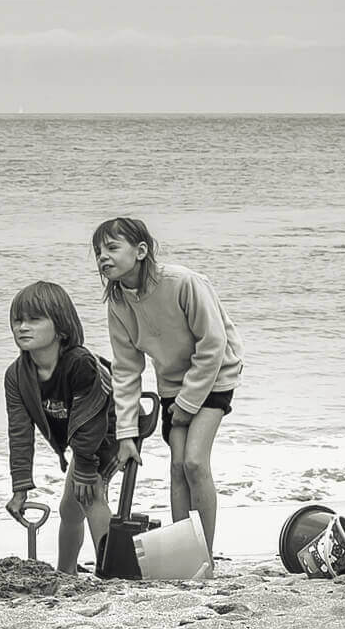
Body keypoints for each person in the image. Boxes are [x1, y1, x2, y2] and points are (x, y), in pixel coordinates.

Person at [93, 217, 244, 553]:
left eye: (112, 248)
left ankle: (205, 558)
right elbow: (127, 369)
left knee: (193, 462)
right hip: (173, 385)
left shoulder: (182, 282)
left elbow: (213, 343)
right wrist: (126, 434)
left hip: (216, 373)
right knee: (176, 468)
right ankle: (187, 555)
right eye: (98, 251)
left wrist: (188, 404)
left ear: (141, 250)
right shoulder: (118, 303)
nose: (103, 257)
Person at [1, 281, 113, 573]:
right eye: (17, 320)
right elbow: (19, 433)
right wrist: (20, 486)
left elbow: (91, 420)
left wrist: (87, 468)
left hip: (111, 431)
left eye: (34, 319)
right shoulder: (17, 375)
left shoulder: (80, 364)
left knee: (91, 495)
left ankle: (110, 569)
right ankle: (67, 572)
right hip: (80, 441)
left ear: (61, 329)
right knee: (69, 508)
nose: (22, 327)